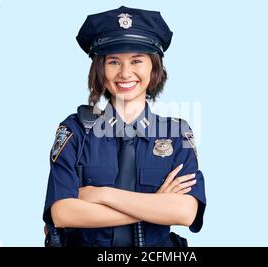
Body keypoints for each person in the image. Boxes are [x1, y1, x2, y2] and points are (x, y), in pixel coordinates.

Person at [42, 6, 206, 247]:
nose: (125, 73)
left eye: (137, 60)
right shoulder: (75, 131)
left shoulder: (176, 134)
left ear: (154, 67)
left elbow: (185, 212)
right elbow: (63, 213)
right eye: (114, 62)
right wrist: (155, 205)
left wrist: (101, 195)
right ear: (100, 69)